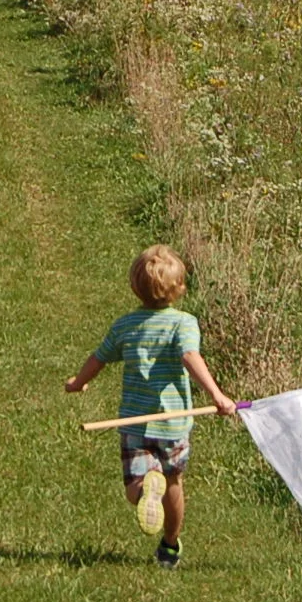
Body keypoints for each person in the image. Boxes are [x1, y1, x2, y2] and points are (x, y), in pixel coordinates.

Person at [64, 244, 236, 569]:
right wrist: (217, 395)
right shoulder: (183, 323)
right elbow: (190, 357)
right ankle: (170, 545)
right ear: (179, 289)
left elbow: (99, 357)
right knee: (173, 482)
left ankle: (146, 488)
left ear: (134, 286)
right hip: (174, 423)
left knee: (135, 489)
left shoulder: (125, 326)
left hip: (136, 423)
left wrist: (78, 383)